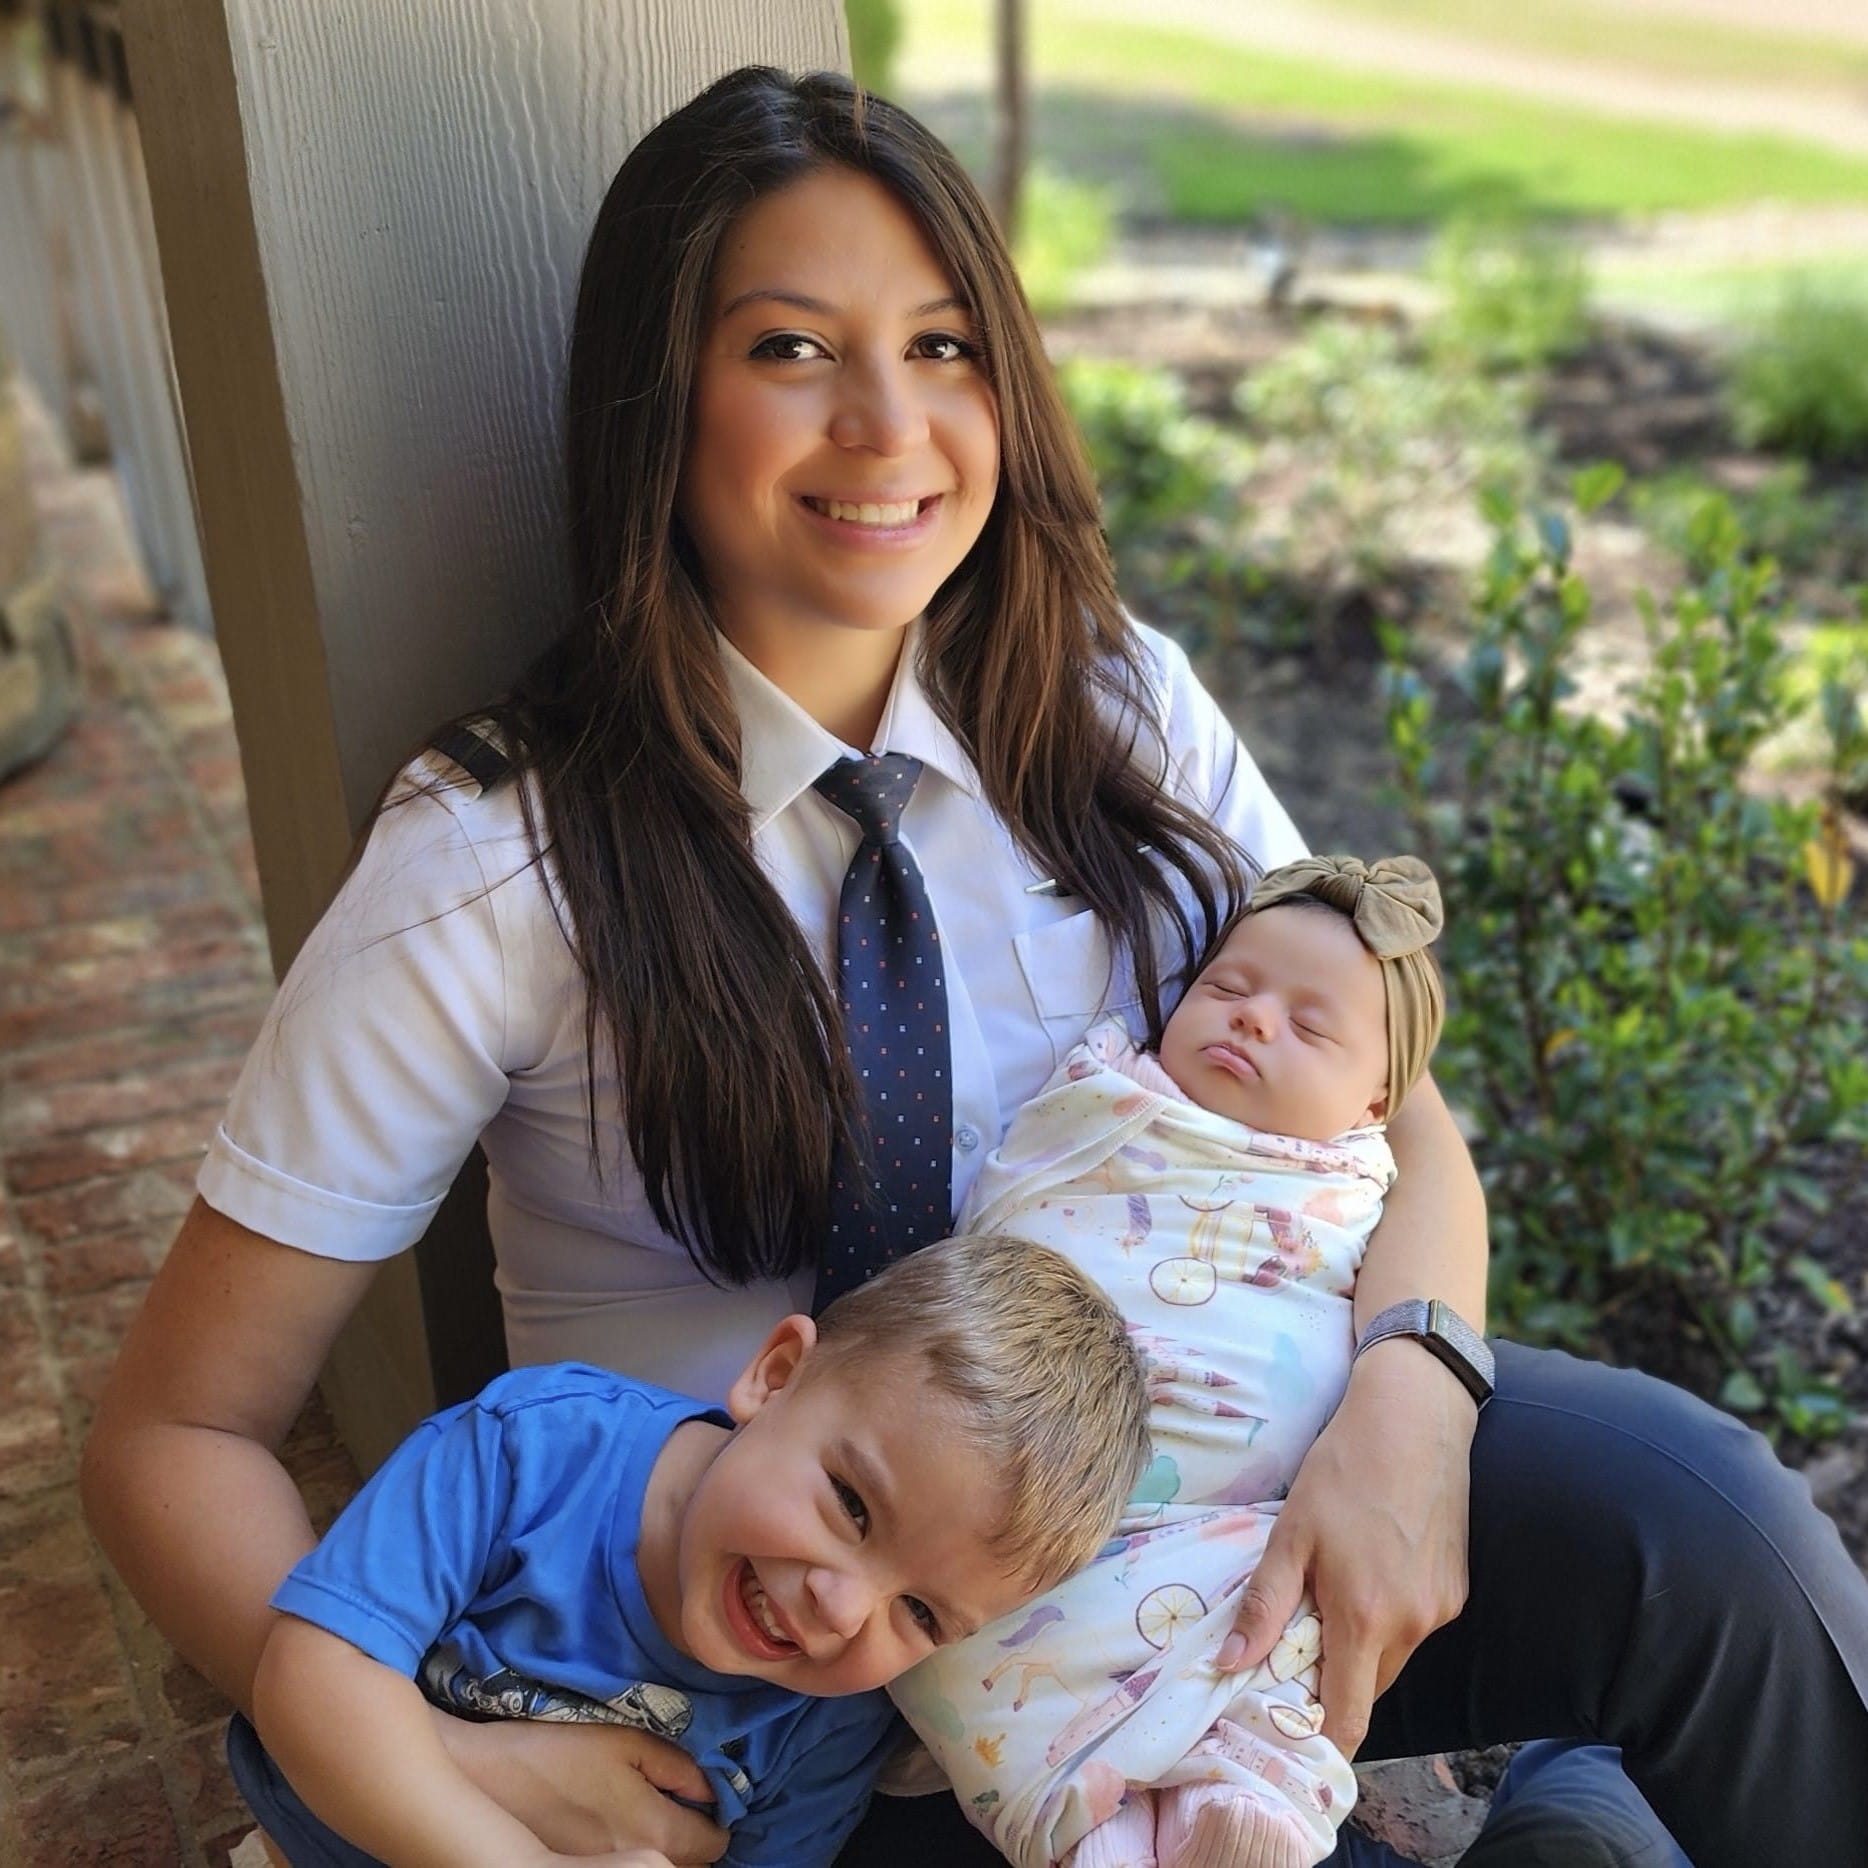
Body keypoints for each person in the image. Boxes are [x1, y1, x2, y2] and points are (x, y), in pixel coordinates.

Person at [77, 63, 1868, 1868]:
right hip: (801, 1700)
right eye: (790, 349)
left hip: (1224, 1520)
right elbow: (174, 1430)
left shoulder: (1111, 707)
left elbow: (1402, 1114)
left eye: (942, 347)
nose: (886, 424)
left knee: (1713, 1531)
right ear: (657, 400)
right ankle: (1578, 1815)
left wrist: (1410, 1387)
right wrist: (429, 1736)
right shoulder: (500, 858)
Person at [232, 1236, 1152, 1868]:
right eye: (852, 1507)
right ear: (777, 1376)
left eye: (919, 1613)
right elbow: (314, 1677)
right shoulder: (532, 1452)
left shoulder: (833, 1720)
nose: (843, 1609)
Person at [893, 854, 1444, 1868]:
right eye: (1227, 987)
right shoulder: (1104, 1100)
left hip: (1231, 1522)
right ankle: (1093, 1827)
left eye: (1307, 1025)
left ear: (1375, 1103)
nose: (1250, 1018)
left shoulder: (1351, 1184)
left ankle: (1236, 1801)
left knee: (1272, 1624)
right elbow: (1013, 1209)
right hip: (1037, 1463)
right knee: (970, 1609)